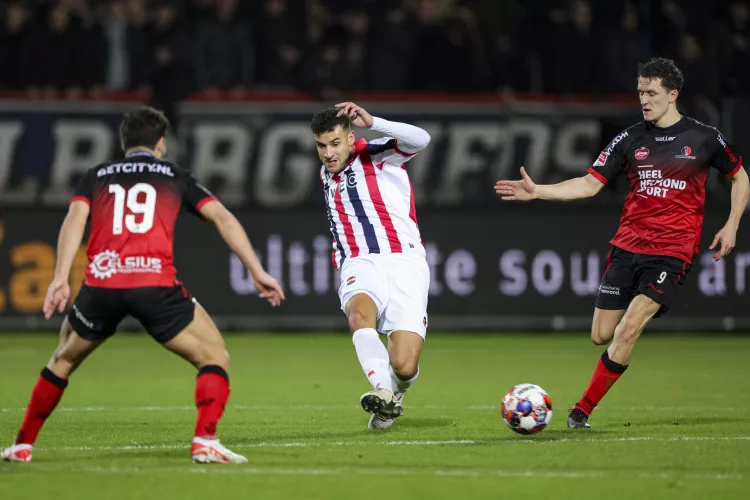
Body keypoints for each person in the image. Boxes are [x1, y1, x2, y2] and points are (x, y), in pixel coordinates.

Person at [1, 106, 285, 463]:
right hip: (154, 285)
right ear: (161, 144)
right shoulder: (173, 175)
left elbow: (74, 219)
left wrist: (60, 277)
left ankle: (22, 445)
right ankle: (205, 441)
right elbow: (222, 217)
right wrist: (257, 270)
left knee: (61, 360)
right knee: (214, 357)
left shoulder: (98, 175)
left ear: (124, 143)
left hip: (101, 286)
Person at [495, 57, 748, 428]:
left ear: (673, 94)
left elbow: (741, 177)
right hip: (628, 246)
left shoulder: (704, 137)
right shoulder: (629, 139)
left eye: (652, 93)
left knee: (629, 327)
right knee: (602, 335)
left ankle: (581, 410)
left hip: (672, 252)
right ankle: (619, 346)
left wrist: (732, 225)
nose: (644, 99)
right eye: (640, 92)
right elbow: (588, 184)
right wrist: (539, 192)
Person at [310, 102, 431, 429]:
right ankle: (382, 392)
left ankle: (396, 390)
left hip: (405, 261)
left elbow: (421, 139)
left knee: (404, 366)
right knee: (359, 315)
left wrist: (375, 122)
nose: (328, 154)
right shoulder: (327, 173)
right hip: (360, 261)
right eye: (322, 146)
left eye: (335, 144)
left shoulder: (376, 154)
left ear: (351, 138)